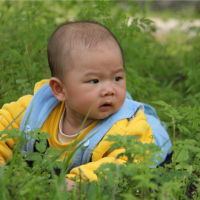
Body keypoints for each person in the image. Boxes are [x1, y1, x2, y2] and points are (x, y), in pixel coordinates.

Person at [0, 21, 172, 190]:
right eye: (94, 81)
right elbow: (4, 126)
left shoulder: (124, 129)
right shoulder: (37, 111)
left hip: (146, 133)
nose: (109, 90)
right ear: (60, 89)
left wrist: (78, 181)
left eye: (117, 78)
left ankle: (145, 114)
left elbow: (125, 162)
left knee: (151, 136)